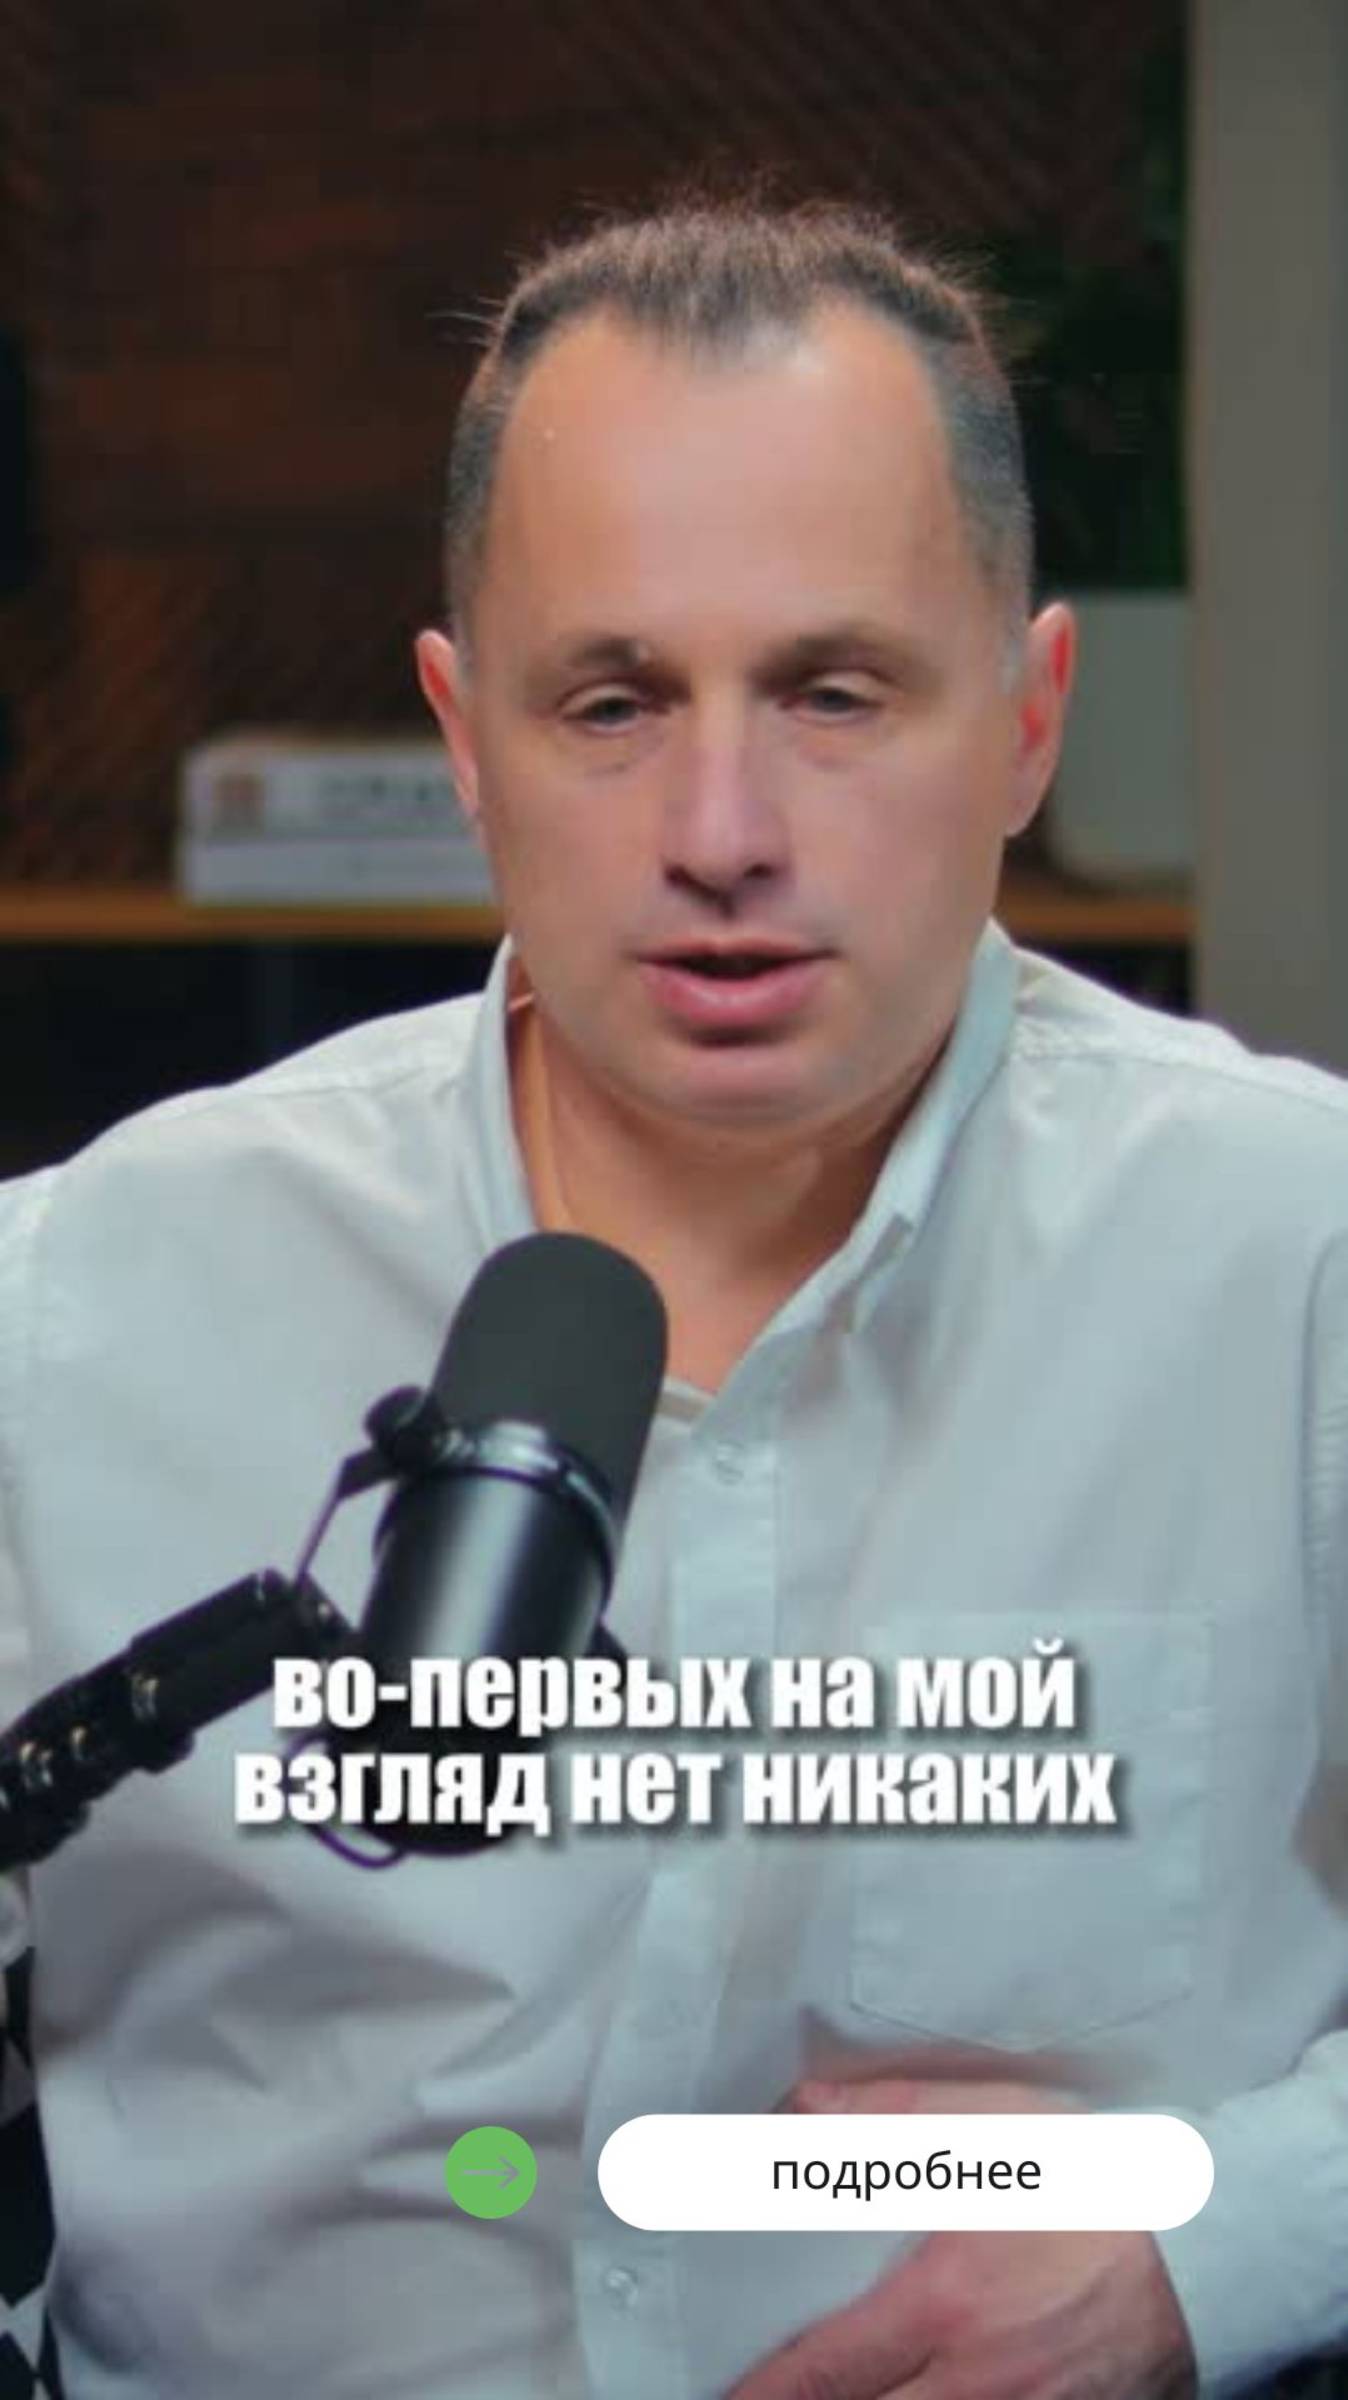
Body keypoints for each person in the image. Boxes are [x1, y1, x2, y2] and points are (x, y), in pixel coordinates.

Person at [1, 195, 1345, 2400]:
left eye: (833, 693)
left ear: (1028, 720)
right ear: (464, 735)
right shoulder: (72, 1301)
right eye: (612, 702)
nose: (721, 829)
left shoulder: (1296, 1257)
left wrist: (1212, 2253)